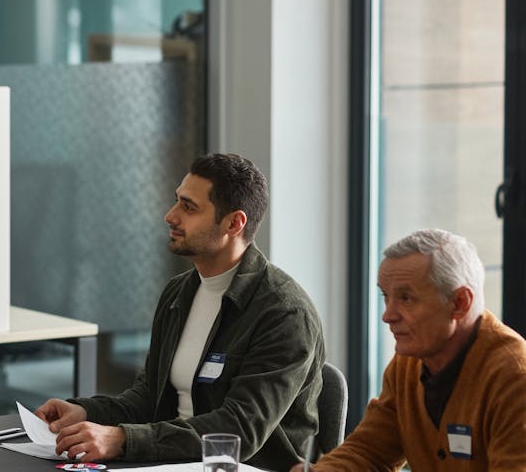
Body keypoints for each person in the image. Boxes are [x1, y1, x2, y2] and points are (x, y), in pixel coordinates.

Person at [36, 153, 324, 471]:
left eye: (188, 207)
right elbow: (149, 396)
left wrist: (121, 439)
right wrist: (87, 413)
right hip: (172, 461)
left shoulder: (284, 313)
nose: (170, 216)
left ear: (234, 223)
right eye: (177, 201)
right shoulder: (179, 293)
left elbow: (240, 430)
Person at [299, 229, 526, 471]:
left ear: (460, 303)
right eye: (386, 297)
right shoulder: (408, 364)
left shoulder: (515, 377)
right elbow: (369, 452)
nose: (387, 315)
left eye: (406, 298)